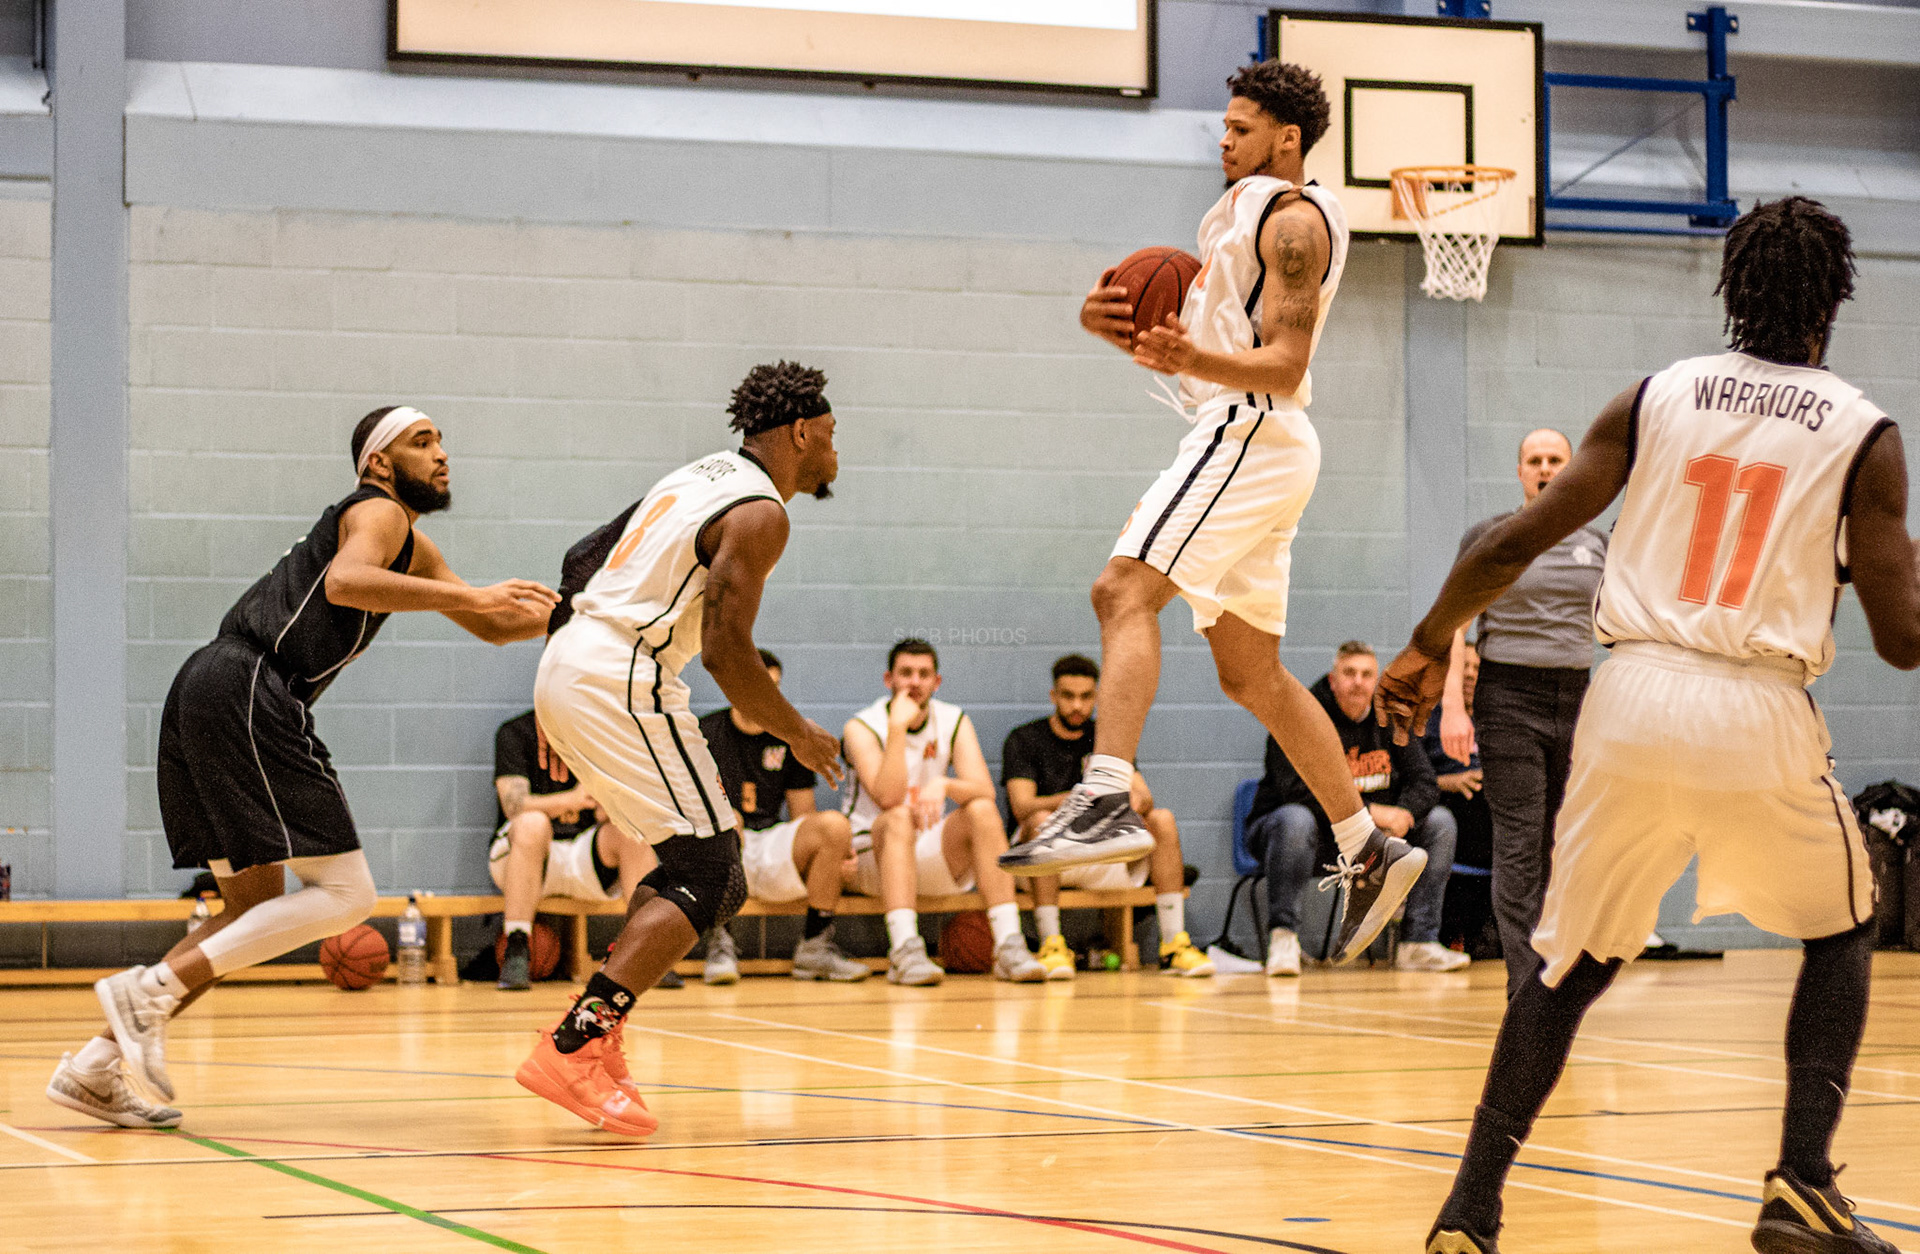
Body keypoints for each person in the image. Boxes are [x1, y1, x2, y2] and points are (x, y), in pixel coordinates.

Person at [1376, 198, 1908, 1254]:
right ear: (1833, 304)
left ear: (1731, 289)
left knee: (1568, 957)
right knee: (1846, 923)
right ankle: (1802, 1183)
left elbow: (1513, 541)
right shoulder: (1865, 434)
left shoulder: (1654, 396)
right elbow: (1902, 641)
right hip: (1754, 701)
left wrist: (1429, 641)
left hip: (1627, 696)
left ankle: (1470, 1209)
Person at [1003, 58, 1425, 965]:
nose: (1223, 141)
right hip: (1252, 434)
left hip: (1252, 429)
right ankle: (1366, 847)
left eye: (1240, 128)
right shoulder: (1238, 217)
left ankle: (1104, 795)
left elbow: (1285, 362)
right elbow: (1199, 351)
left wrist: (1192, 357)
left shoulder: (1295, 221)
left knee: (1121, 591)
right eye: (1223, 127)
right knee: (1252, 676)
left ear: (1287, 138)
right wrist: (1124, 331)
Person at [50, 406, 557, 1129]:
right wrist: (470, 593)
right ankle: (147, 991)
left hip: (210, 686)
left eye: (442, 441)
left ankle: (95, 1066)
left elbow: (494, 624)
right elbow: (347, 582)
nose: (442, 453)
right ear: (378, 463)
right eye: (422, 442)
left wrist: (587, 615)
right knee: (347, 894)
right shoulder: (379, 511)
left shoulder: (412, 545)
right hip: (251, 686)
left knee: (249, 910)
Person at [521, 362, 845, 1136]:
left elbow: (581, 558)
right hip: (623, 677)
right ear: (802, 432)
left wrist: (560, 681)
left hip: (579, 667)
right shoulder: (761, 512)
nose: (837, 453)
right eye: (833, 437)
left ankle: (598, 1035)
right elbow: (728, 655)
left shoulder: (696, 477)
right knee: (716, 876)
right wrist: (798, 732)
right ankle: (573, 1047)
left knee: (688, 869)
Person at [1438, 429, 1608, 997]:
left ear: (1572, 469)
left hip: (1576, 697)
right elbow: (1454, 621)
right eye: (1534, 460)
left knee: (1561, 837)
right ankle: (1524, 984)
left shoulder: (1598, 544)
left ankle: (1556, 962)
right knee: (1518, 839)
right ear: (1520, 473)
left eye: (1556, 459)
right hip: (1508, 696)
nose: (1545, 468)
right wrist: (1453, 706)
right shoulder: (1491, 536)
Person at [1243, 642, 1466, 976]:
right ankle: (1284, 939)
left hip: (1373, 838)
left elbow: (1425, 781)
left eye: (1366, 674)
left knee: (1440, 822)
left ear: (1376, 681)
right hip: (1303, 836)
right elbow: (1296, 791)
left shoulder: (1390, 718)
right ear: (1333, 680)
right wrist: (1372, 814)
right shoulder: (1301, 716)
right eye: (1349, 673)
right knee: (1296, 819)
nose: (1358, 682)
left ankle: (1418, 942)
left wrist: (1403, 815)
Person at [844, 639, 1046, 986]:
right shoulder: (861, 727)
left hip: (927, 853)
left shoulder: (952, 719)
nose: (915, 682)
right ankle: (905, 951)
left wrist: (945, 784)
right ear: (889, 679)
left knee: (982, 810)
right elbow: (889, 797)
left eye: (924, 674)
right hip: (869, 858)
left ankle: (1009, 945)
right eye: (906, 673)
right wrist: (897, 728)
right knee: (898, 816)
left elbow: (983, 789)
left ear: (936, 682)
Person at [1001, 654, 1212, 979]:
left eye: (1086, 696)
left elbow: (1144, 797)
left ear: (1097, 696)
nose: (1077, 705)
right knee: (1041, 819)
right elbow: (1021, 806)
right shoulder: (1025, 739)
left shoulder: (1107, 738)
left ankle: (1174, 945)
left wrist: (1122, 800)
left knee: (1163, 819)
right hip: (1042, 859)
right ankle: (1051, 944)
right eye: (1068, 696)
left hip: (1100, 852)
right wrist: (1079, 798)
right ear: (1053, 696)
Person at [699, 649, 866, 984]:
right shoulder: (704, 734)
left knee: (834, 827)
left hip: (771, 845)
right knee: (728, 820)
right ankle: (720, 945)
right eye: (759, 686)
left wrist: (832, 857)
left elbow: (803, 816)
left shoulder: (791, 737)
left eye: (773, 688)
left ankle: (815, 947)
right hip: (719, 853)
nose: (767, 696)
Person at [490, 709, 658, 990]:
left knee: (633, 833)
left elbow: (609, 812)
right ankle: (516, 947)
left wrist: (610, 801)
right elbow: (513, 806)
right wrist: (572, 800)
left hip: (582, 853)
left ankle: (649, 949)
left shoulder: (599, 735)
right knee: (532, 823)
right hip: (521, 856)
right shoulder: (515, 733)